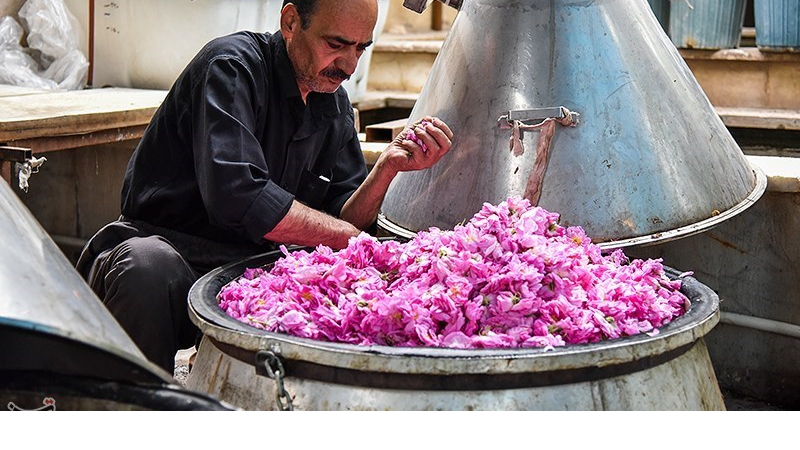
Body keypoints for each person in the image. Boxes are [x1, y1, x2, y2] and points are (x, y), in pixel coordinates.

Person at [76, 0, 454, 372]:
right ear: (291, 22)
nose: (349, 66)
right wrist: (352, 239)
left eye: (361, 48)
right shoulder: (231, 68)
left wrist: (387, 169)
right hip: (173, 252)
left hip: (248, 266)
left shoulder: (333, 104)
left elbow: (345, 218)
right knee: (148, 267)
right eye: (336, 45)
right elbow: (239, 197)